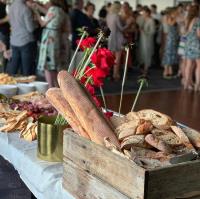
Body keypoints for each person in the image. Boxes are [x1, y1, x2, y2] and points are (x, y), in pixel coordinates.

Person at [33, 0, 67, 88]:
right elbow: (48, 13)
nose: (46, 3)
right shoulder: (60, 10)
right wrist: (38, 6)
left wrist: (35, 11)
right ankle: (56, 87)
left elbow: (42, 23)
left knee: (47, 64)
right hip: (56, 36)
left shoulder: (52, 9)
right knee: (54, 64)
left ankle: (50, 87)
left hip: (49, 38)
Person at [7, 0, 37, 76]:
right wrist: (35, 23)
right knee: (27, 69)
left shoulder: (11, 7)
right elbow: (30, 28)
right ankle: (27, 87)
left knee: (14, 67)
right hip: (25, 40)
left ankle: (10, 85)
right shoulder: (25, 9)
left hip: (14, 40)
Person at [106, 1, 131, 81]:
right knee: (117, 58)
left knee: (111, 57)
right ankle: (115, 74)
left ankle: (109, 74)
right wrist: (128, 24)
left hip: (110, 37)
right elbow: (121, 28)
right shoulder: (116, 16)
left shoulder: (108, 15)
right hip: (117, 38)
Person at [184, 5, 200, 91]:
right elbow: (198, 34)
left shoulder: (187, 20)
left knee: (188, 65)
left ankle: (186, 84)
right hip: (196, 44)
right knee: (199, 65)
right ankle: (197, 85)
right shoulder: (198, 20)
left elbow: (185, 33)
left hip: (188, 44)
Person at [162, 8, 179, 78]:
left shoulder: (171, 17)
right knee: (168, 53)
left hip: (173, 38)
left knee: (171, 53)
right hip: (170, 38)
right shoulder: (167, 17)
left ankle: (170, 70)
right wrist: (176, 18)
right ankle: (166, 71)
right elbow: (171, 24)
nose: (176, 13)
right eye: (175, 12)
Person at [138, 6, 155, 75]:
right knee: (142, 53)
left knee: (147, 53)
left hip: (148, 39)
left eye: (144, 12)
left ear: (147, 13)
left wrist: (144, 31)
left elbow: (153, 31)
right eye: (142, 12)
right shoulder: (142, 19)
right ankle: (143, 67)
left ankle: (146, 69)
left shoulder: (151, 20)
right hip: (142, 39)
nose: (143, 14)